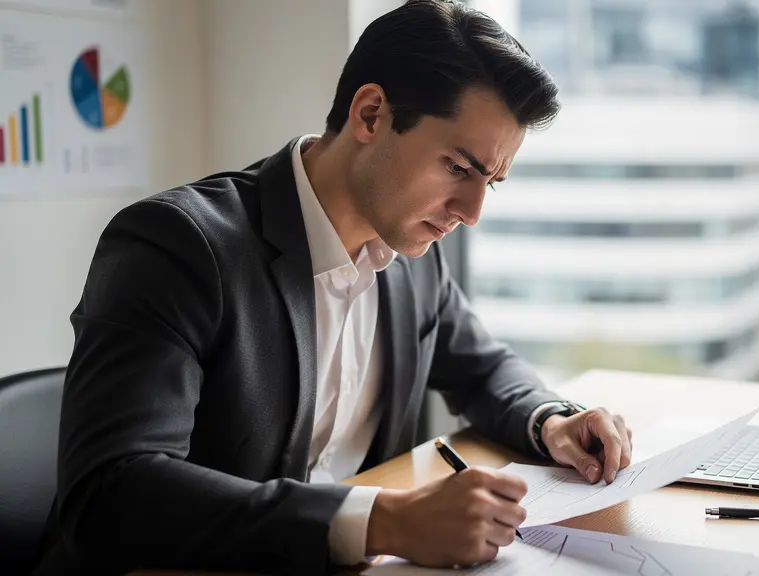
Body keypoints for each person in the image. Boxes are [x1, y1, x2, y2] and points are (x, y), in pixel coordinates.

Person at [32, 1, 634, 574]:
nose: (472, 211)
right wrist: (384, 521)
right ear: (371, 114)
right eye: (458, 167)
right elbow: (112, 492)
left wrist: (551, 420)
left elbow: (482, 368)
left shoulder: (411, 248)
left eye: (491, 183)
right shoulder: (177, 246)